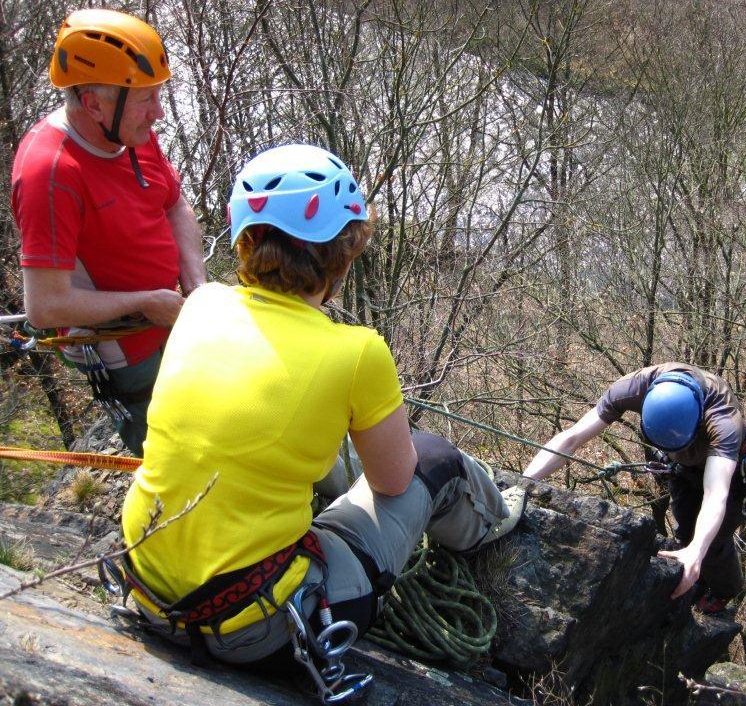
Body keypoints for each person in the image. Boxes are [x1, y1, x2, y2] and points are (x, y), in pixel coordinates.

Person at [118, 144, 523, 687]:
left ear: (245, 237)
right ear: (341, 256)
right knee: (433, 457)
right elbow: (393, 480)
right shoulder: (356, 352)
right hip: (257, 631)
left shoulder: (201, 305)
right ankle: (495, 521)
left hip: (150, 593)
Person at [11, 8, 205, 454]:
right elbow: (45, 306)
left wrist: (194, 281)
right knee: (176, 454)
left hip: (171, 317)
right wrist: (146, 303)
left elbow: (174, 204)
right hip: (125, 353)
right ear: (94, 103)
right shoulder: (52, 172)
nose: (158, 113)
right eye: (146, 100)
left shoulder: (128, 131)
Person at [524, 362, 746, 614]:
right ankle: (698, 579)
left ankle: (723, 591)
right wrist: (523, 481)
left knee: (712, 539)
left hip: (731, 472)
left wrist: (697, 552)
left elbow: (716, 493)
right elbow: (572, 438)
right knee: (686, 529)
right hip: (682, 465)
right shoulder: (632, 388)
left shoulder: (724, 421)